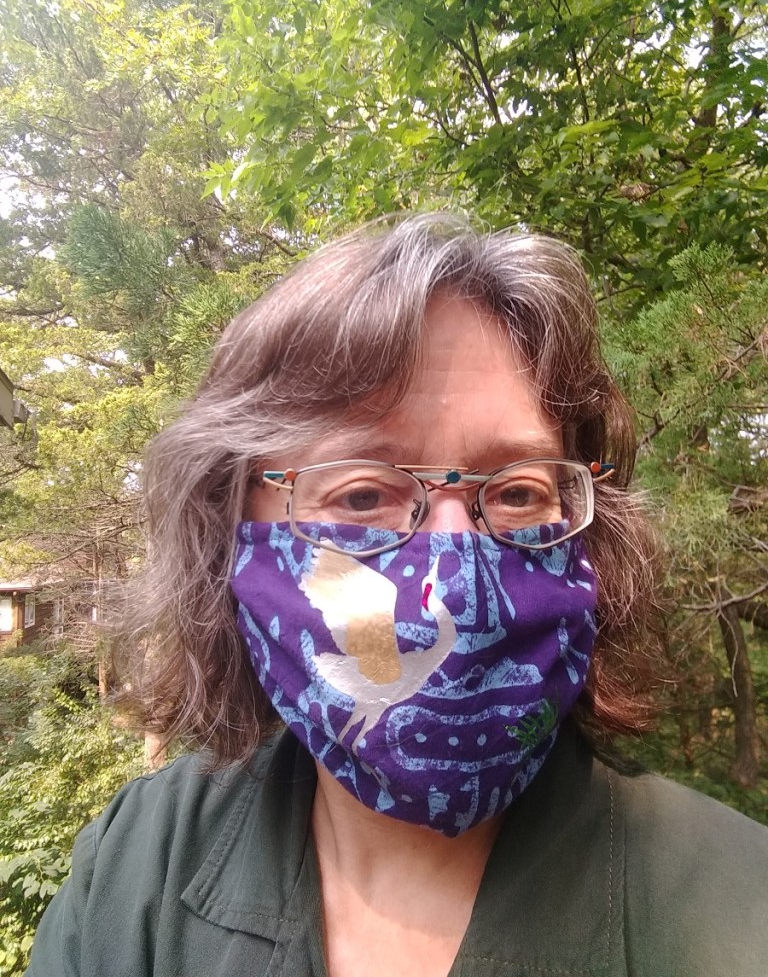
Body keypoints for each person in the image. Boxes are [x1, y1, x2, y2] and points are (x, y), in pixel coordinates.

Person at [27, 214, 767, 977]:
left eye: (517, 491)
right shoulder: (136, 871)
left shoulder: (738, 910)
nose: (454, 558)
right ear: (228, 528)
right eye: (361, 495)